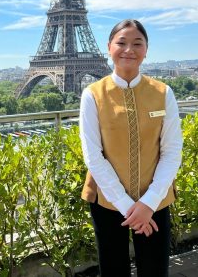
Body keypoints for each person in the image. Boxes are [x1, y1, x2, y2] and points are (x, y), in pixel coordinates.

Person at [79, 19, 183, 277]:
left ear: (146, 50)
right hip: (107, 199)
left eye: (137, 43)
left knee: (155, 270)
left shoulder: (163, 93)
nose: (129, 49)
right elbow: (93, 156)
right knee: (113, 270)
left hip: (154, 198)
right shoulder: (92, 94)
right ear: (108, 47)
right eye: (121, 42)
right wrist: (128, 206)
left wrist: (148, 203)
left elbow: (171, 151)